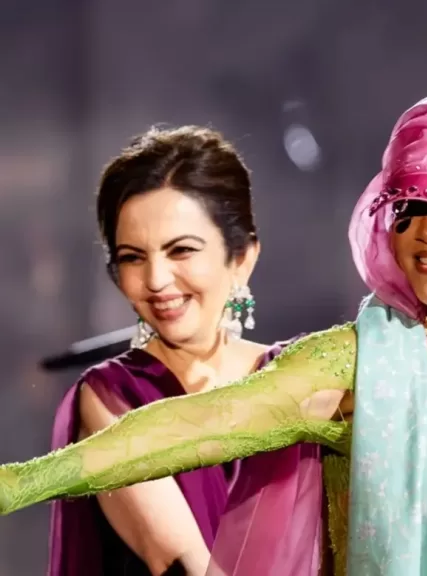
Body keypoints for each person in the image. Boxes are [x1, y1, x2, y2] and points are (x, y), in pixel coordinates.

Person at [0, 86, 427, 576]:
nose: (425, 232)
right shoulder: (366, 365)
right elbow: (195, 426)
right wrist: (17, 484)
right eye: (406, 208)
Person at [48, 126, 290, 576]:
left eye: (181, 251)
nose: (156, 280)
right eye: (132, 257)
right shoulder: (112, 397)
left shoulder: (297, 376)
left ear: (241, 257)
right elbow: (181, 560)